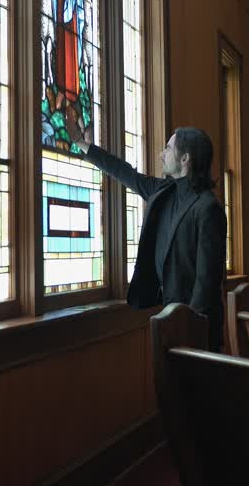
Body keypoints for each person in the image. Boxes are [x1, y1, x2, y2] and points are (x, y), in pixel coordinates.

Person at [68, 120, 227, 353]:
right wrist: (84, 144)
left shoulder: (208, 208)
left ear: (185, 159)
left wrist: (190, 328)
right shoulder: (162, 191)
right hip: (168, 319)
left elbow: (207, 281)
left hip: (198, 329)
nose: (161, 154)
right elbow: (125, 173)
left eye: (168, 148)